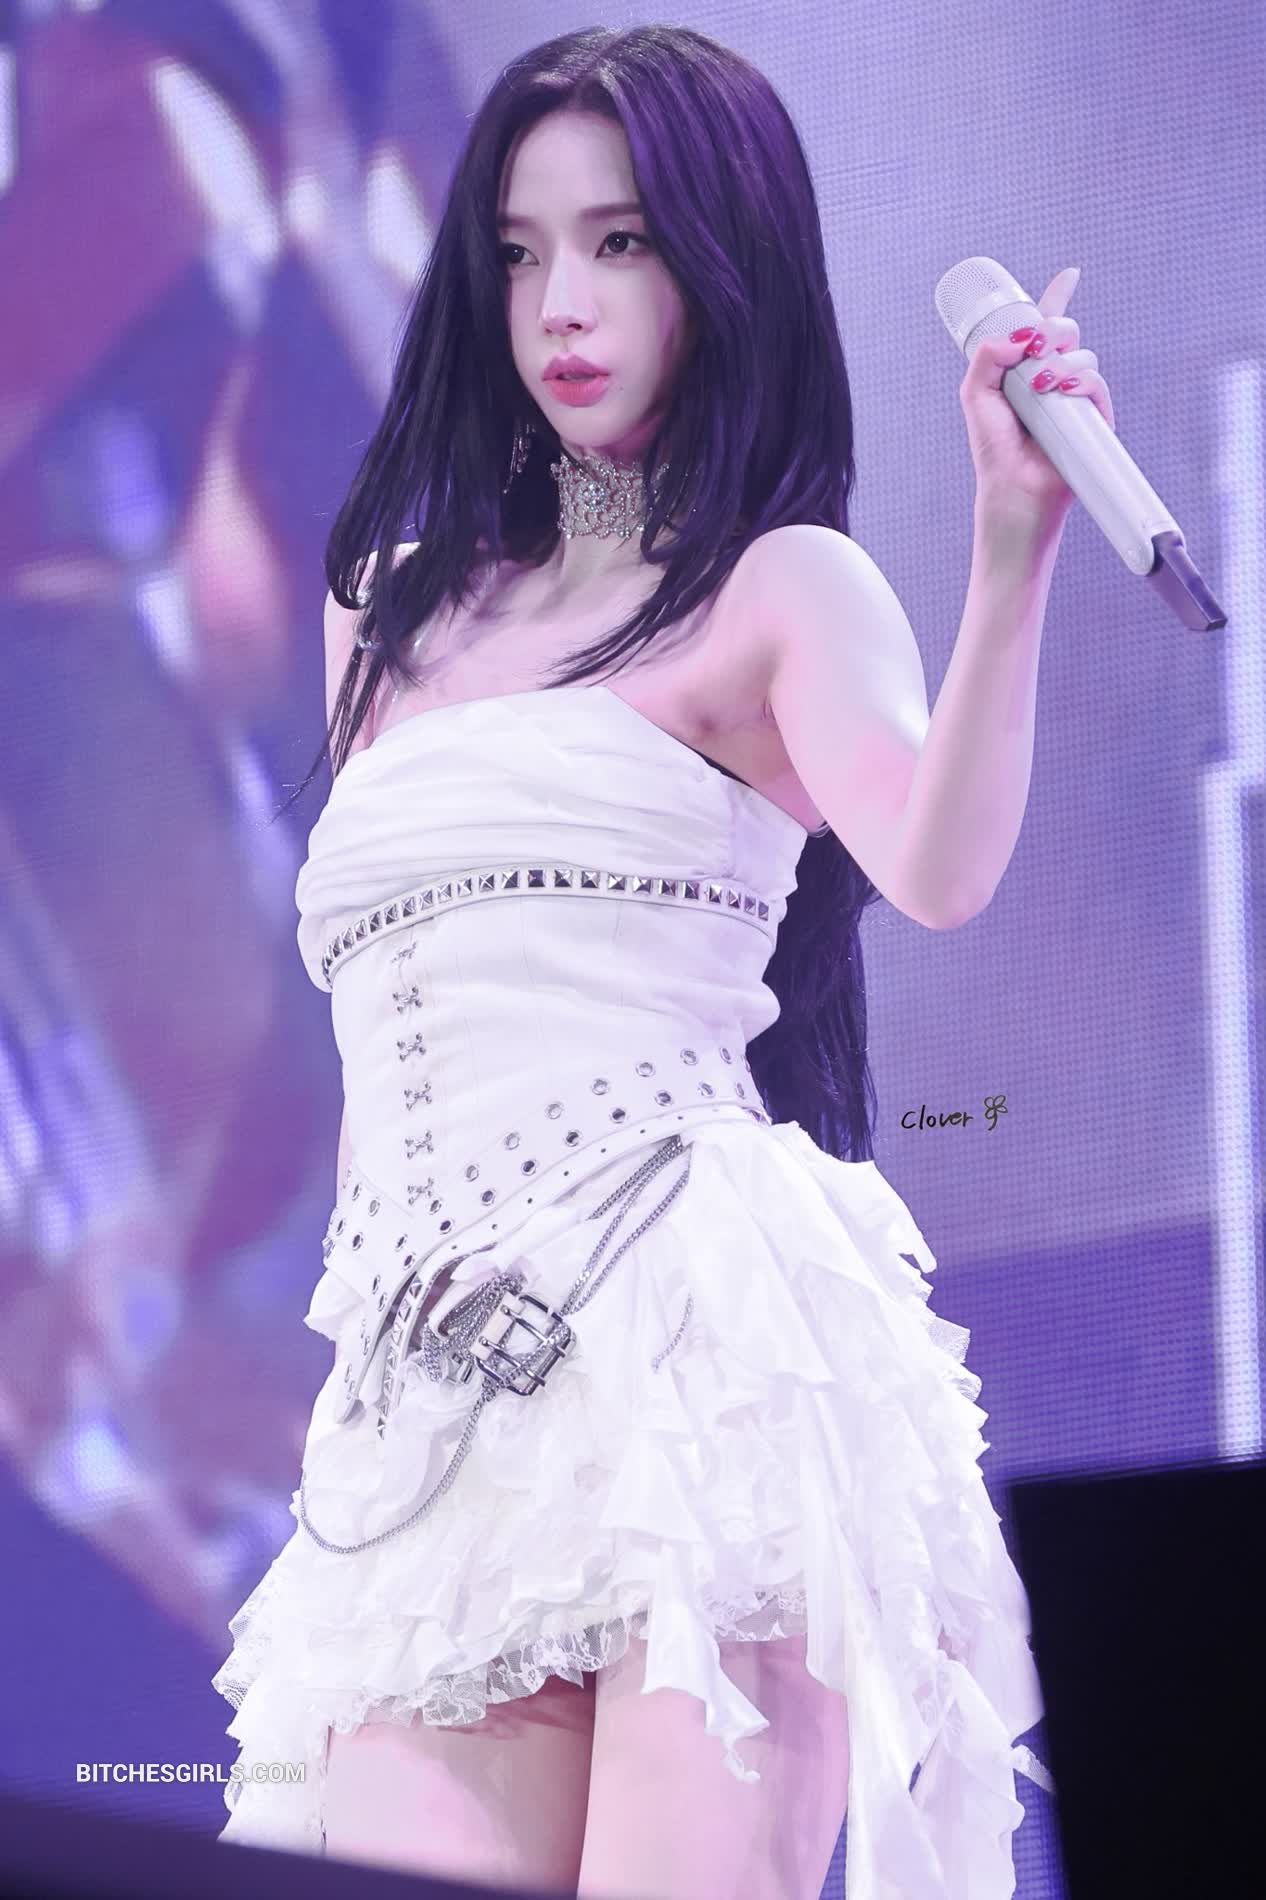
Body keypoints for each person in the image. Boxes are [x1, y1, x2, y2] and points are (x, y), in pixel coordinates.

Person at [214, 21, 1108, 1898]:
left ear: (718, 260)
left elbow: (936, 865)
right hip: (427, 1407)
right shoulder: (386, 608)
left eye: (618, 242)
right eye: (520, 251)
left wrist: (1011, 550)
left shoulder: (777, 584)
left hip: (696, 1347)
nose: (562, 301)